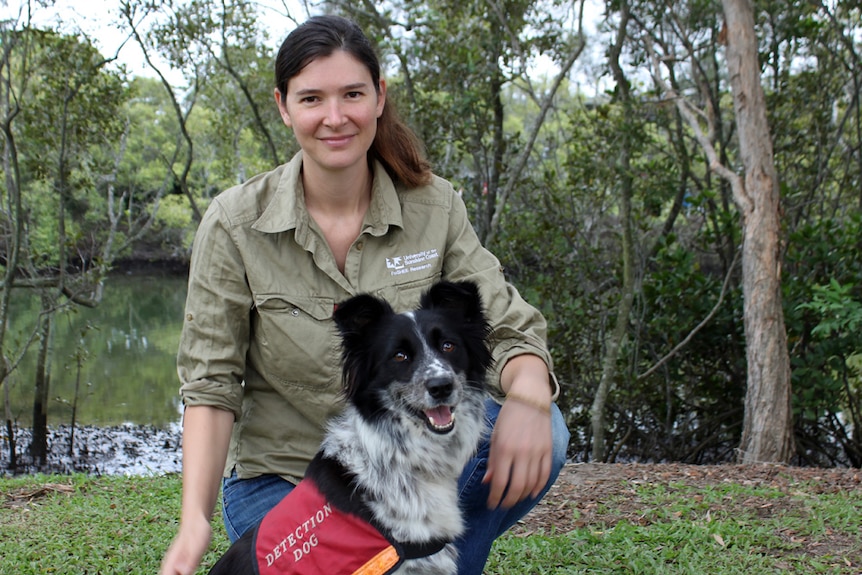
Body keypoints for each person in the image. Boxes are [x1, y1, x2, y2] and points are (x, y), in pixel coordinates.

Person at [159, 14, 569, 575]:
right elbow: (211, 384)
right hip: (293, 481)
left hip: (417, 468)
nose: (335, 117)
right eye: (312, 99)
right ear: (283, 106)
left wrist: (527, 397)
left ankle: (439, 561)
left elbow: (504, 322)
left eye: (352, 93)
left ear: (379, 97)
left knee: (550, 427)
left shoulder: (435, 206)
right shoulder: (234, 224)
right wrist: (193, 525)